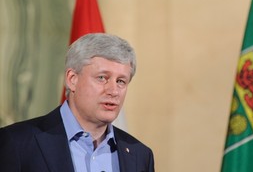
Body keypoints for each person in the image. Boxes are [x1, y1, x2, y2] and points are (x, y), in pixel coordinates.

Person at [0, 33, 155, 172]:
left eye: (121, 81)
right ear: (72, 79)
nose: (113, 91)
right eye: (102, 78)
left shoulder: (140, 155)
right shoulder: (16, 143)